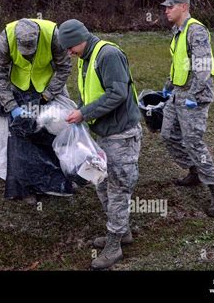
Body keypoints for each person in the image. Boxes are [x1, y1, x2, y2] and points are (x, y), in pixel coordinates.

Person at [58, 19, 142, 269]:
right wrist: (82, 110)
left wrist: (85, 113)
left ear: (77, 40)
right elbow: (95, 93)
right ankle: (121, 231)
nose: (68, 53)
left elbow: (118, 93)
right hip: (103, 135)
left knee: (117, 189)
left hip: (121, 136)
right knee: (101, 184)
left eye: (69, 48)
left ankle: (115, 245)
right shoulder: (88, 57)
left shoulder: (108, 55)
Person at [160, 0, 214, 217]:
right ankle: (195, 170)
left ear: (184, 7)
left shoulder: (195, 30)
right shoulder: (177, 31)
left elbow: (204, 67)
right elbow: (180, 61)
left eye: (170, 6)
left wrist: (192, 97)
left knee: (193, 141)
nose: (166, 10)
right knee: (167, 134)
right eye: (166, 6)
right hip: (178, 91)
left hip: (194, 96)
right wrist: (169, 85)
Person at [0, 18, 72, 204]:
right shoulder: (5, 38)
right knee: (21, 135)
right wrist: (11, 106)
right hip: (19, 86)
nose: (28, 55)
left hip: (49, 84)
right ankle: (26, 186)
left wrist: (48, 94)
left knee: (57, 128)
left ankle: (60, 180)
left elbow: (64, 66)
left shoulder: (54, 35)